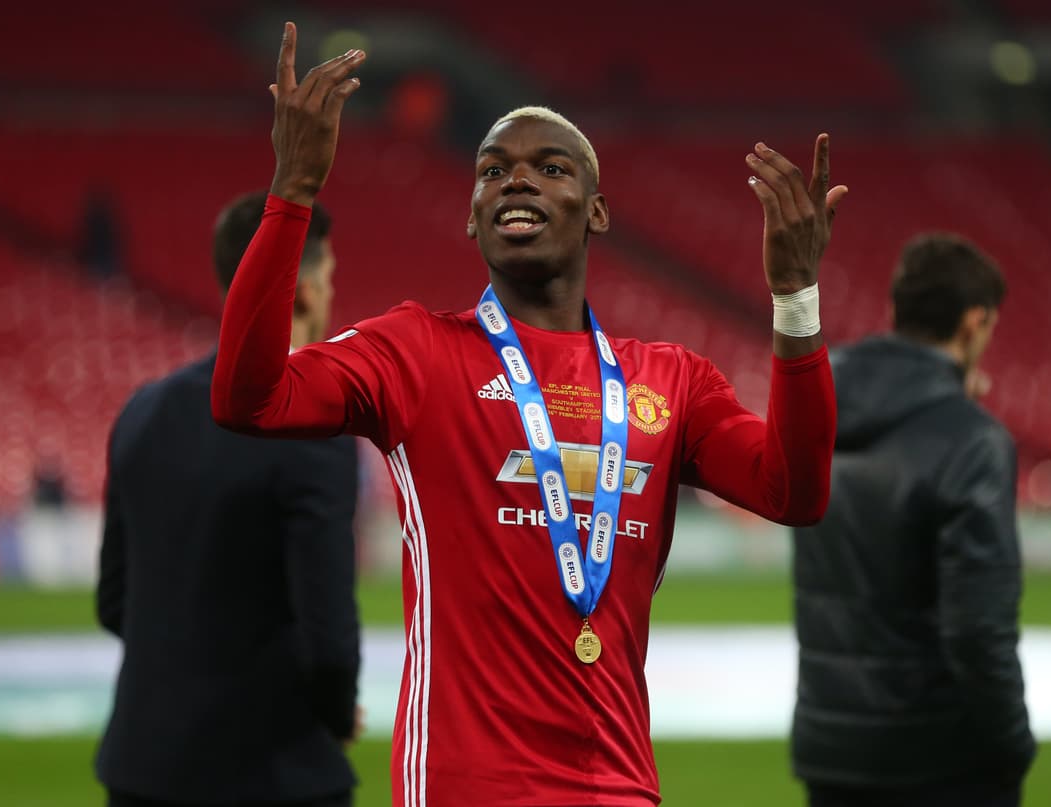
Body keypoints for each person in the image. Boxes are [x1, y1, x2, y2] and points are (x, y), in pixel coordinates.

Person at [212, 22, 844, 806]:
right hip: (465, 787)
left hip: (617, 786)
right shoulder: (413, 352)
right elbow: (248, 398)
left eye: (550, 168)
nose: (516, 182)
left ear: (598, 212)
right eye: (492, 171)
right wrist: (293, 192)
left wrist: (795, 298)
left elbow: (796, 491)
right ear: (473, 216)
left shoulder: (671, 382)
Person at [96, 191, 362, 807]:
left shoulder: (142, 411)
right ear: (305, 285)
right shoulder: (312, 427)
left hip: (141, 769)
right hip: (272, 771)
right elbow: (328, 637)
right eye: (327, 273)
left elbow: (115, 602)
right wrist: (336, 710)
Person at [791, 233, 1036, 807]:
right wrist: (1012, 744)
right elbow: (979, 631)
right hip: (941, 759)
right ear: (974, 324)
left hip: (832, 750)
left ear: (897, 312)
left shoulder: (816, 407)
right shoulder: (972, 442)